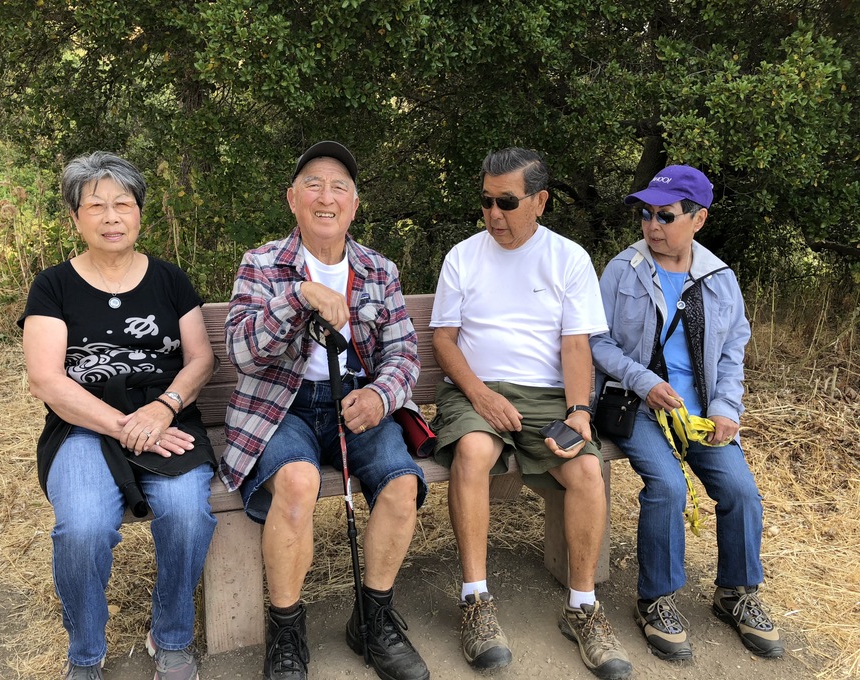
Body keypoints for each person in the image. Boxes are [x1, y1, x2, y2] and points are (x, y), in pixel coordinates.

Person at [222, 141, 430, 680]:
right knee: (296, 482)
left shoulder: (378, 270)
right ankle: (287, 630)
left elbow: (405, 354)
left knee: (402, 484)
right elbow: (244, 352)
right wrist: (299, 297)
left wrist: (381, 396)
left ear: (354, 206)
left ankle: (374, 618)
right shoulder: (263, 263)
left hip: (354, 404)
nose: (326, 197)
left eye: (340, 187)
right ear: (293, 199)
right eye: (313, 184)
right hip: (279, 407)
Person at [430, 147, 633, 680]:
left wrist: (579, 411)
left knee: (588, 470)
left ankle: (582, 607)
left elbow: (574, 347)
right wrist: (478, 394)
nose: (494, 214)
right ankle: (475, 600)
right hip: (477, 387)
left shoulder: (568, 259)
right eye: (485, 202)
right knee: (473, 451)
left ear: (540, 201)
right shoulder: (463, 257)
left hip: (547, 395)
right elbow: (444, 340)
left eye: (507, 202)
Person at [19, 152, 218, 680]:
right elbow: (46, 379)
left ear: (139, 213)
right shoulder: (53, 286)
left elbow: (200, 358)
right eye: (97, 206)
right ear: (76, 217)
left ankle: (171, 637)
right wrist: (127, 427)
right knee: (82, 528)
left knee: (185, 513)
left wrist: (163, 408)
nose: (111, 217)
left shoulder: (171, 280)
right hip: (83, 426)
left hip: (168, 419)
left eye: (123, 204)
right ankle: (86, 651)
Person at [590, 165, 784, 661]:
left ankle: (736, 594)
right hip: (637, 409)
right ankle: (656, 599)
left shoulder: (719, 279)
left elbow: (732, 350)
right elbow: (596, 342)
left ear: (698, 219)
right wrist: (645, 380)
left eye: (666, 215)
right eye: (646, 214)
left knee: (741, 491)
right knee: (669, 487)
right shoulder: (623, 270)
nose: (652, 225)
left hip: (700, 414)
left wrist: (725, 408)